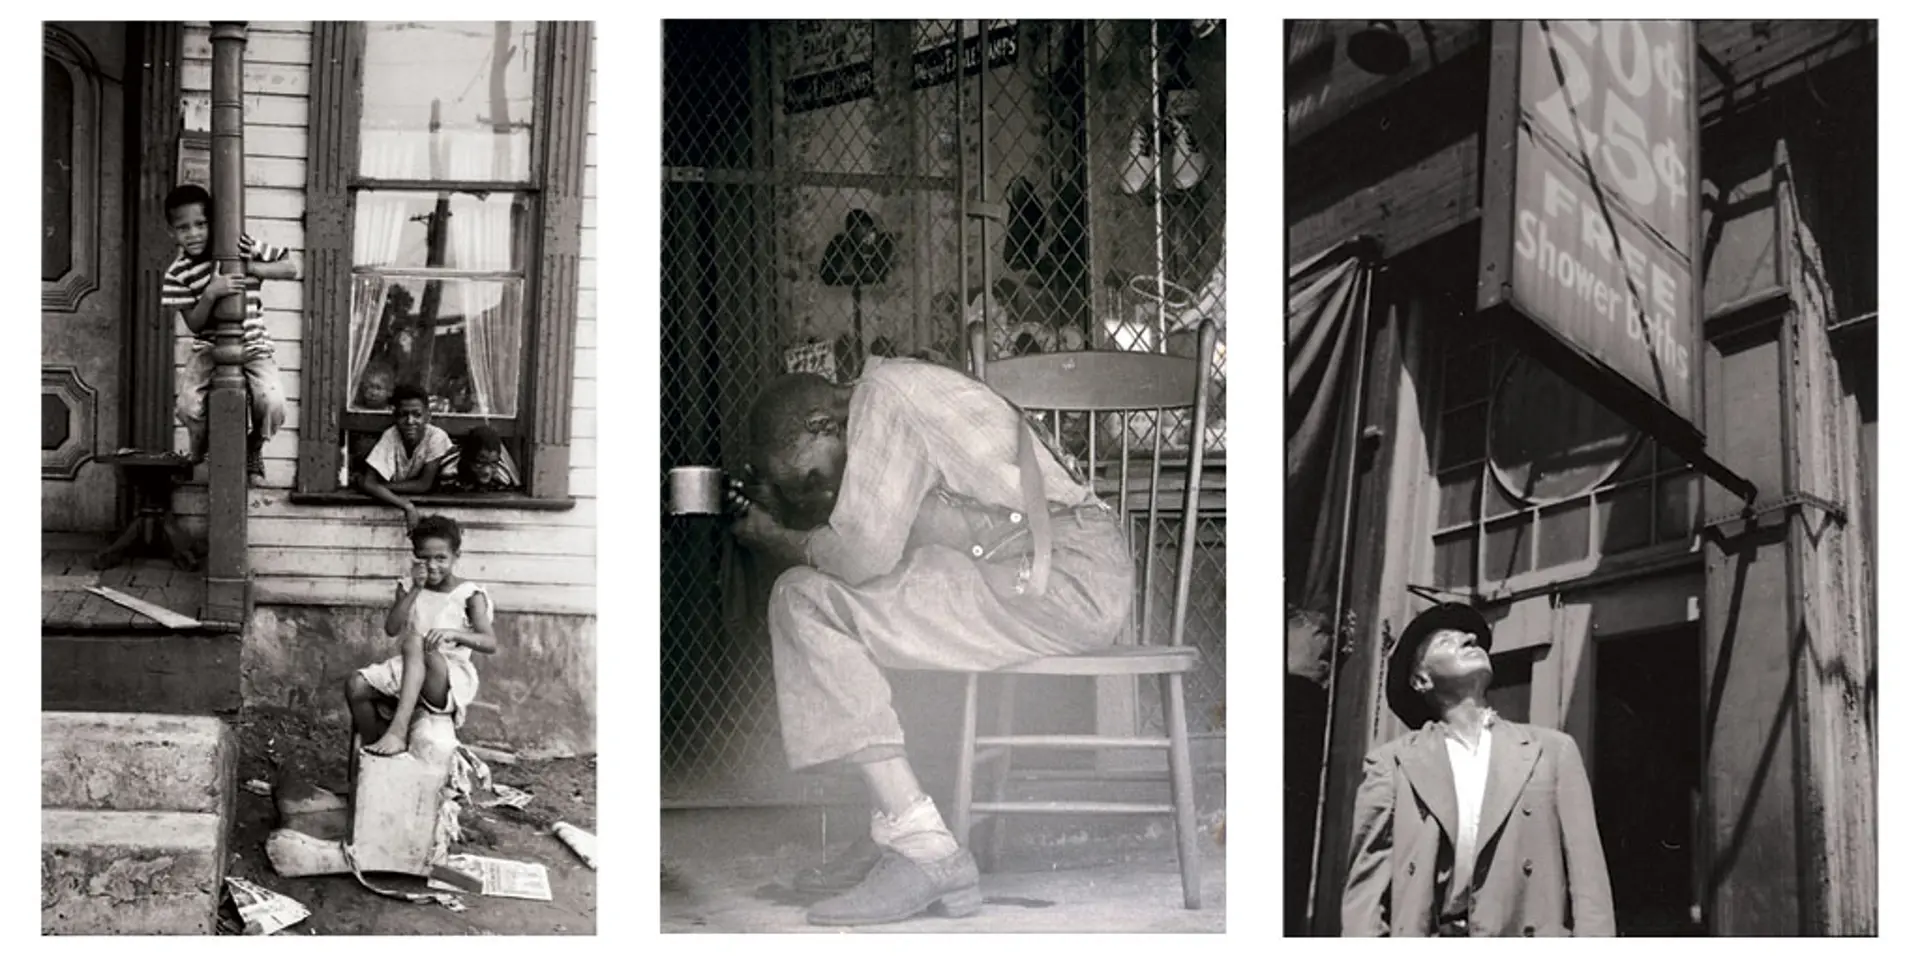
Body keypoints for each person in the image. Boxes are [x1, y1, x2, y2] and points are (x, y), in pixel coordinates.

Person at [728, 360, 1134, 927]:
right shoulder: (893, 389)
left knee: (804, 599)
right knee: (865, 601)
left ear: (824, 424)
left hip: (1061, 580)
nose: (816, 488)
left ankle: (923, 846)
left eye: (809, 474)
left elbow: (859, 556)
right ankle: (893, 828)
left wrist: (776, 539)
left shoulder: (884, 402)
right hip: (1050, 574)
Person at [1341, 604, 1615, 937]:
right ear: (1421, 679)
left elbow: (1591, 890)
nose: (1471, 637)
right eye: (1446, 640)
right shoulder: (1392, 764)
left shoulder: (1553, 751)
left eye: (1470, 636)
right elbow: (1365, 898)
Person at [160, 184, 298, 483]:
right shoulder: (177, 273)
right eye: (183, 228)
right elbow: (195, 324)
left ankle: (254, 447)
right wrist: (210, 294)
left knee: (272, 402)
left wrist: (254, 267)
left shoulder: (239, 246)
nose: (193, 234)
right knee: (187, 406)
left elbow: (290, 268)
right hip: (208, 348)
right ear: (172, 232)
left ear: (214, 222)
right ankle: (200, 448)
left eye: (200, 224)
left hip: (255, 346)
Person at [344, 515, 496, 758]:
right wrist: (416, 589)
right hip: (410, 667)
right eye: (424, 558)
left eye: (441, 558)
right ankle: (376, 751)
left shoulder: (468, 594)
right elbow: (392, 629)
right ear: (415, 557)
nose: (433, 565)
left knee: (416, 641)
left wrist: (454, 633)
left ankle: (397, 730)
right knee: (356, 685)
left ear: (456, 556)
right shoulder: (407, 587)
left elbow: (490, 643)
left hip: (446, 678)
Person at [356, 382, 453, 529]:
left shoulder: (436, 437)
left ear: (428, 416)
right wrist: (406, 506)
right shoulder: (391, 435)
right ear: (395, 416)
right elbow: (369, 483)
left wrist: (382, 488)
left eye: (417, 415)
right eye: (403, 415)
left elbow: (424, 485)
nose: (410, 421)